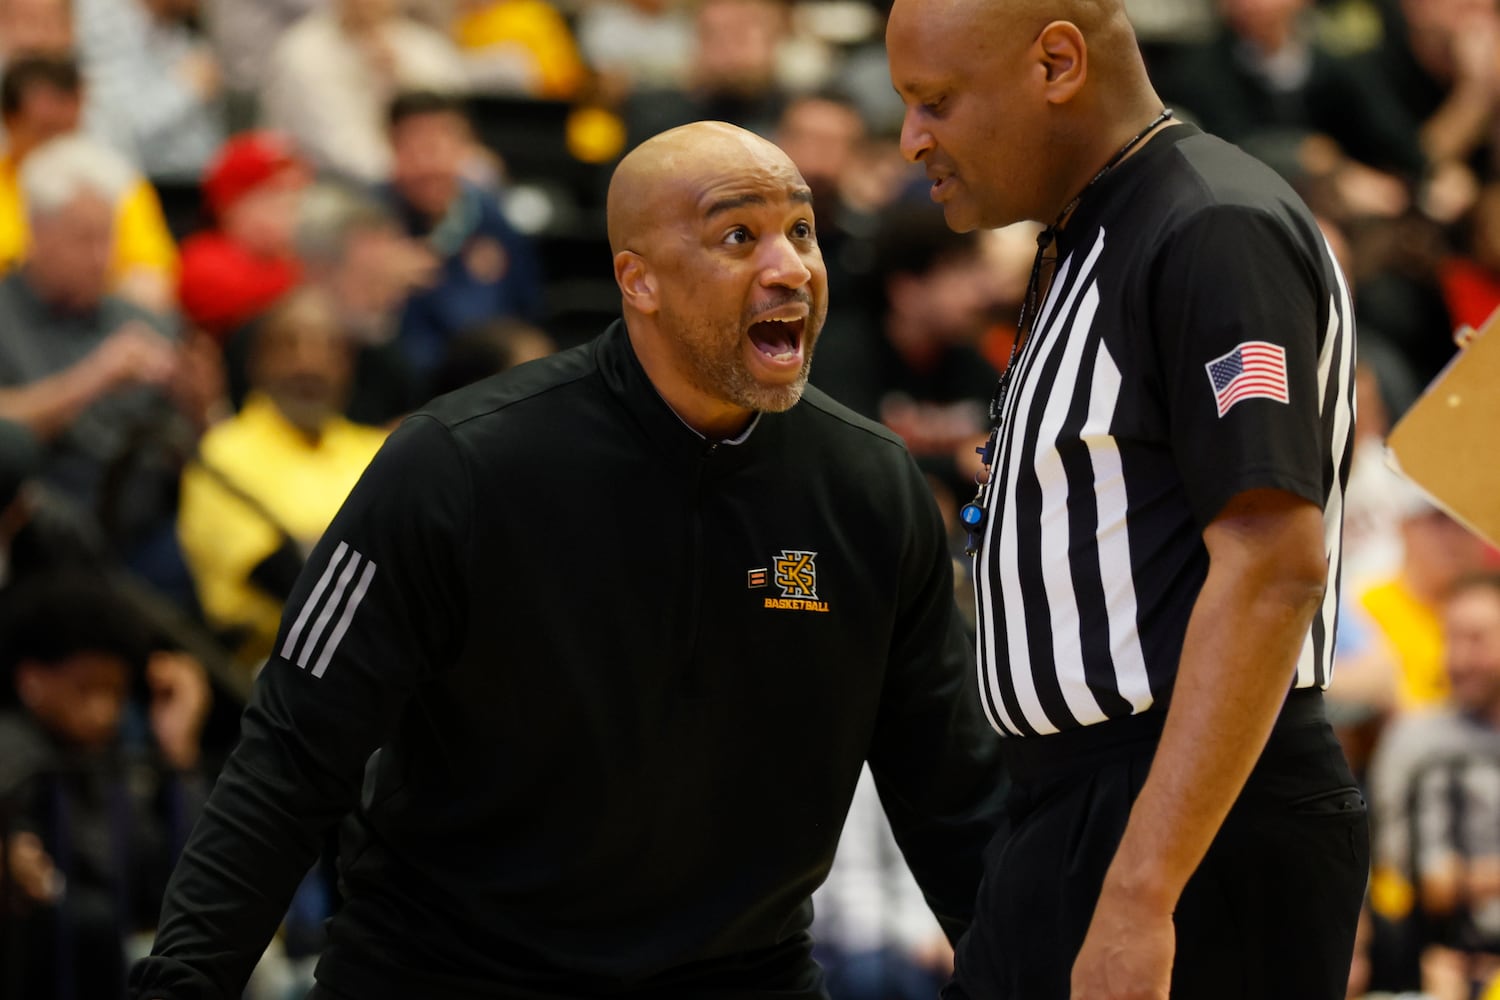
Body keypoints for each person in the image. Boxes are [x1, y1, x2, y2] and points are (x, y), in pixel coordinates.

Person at [129, 120, 1006, 1000]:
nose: (790, 268)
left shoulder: (870, 488)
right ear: (638, 280)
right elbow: (288, 758)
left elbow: (954, 797)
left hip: (742, 974)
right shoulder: (458, 464)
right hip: (450, 972)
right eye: (739, 235)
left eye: (803, 231)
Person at [884, 1, 1367, 998]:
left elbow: (1274, 562)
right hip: (1076, 807)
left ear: (1057, 62)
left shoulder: (1210, 223)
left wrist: (1142, 892)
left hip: (1186, 821)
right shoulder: (1087, 233)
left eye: (935, 101)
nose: (911, 138)